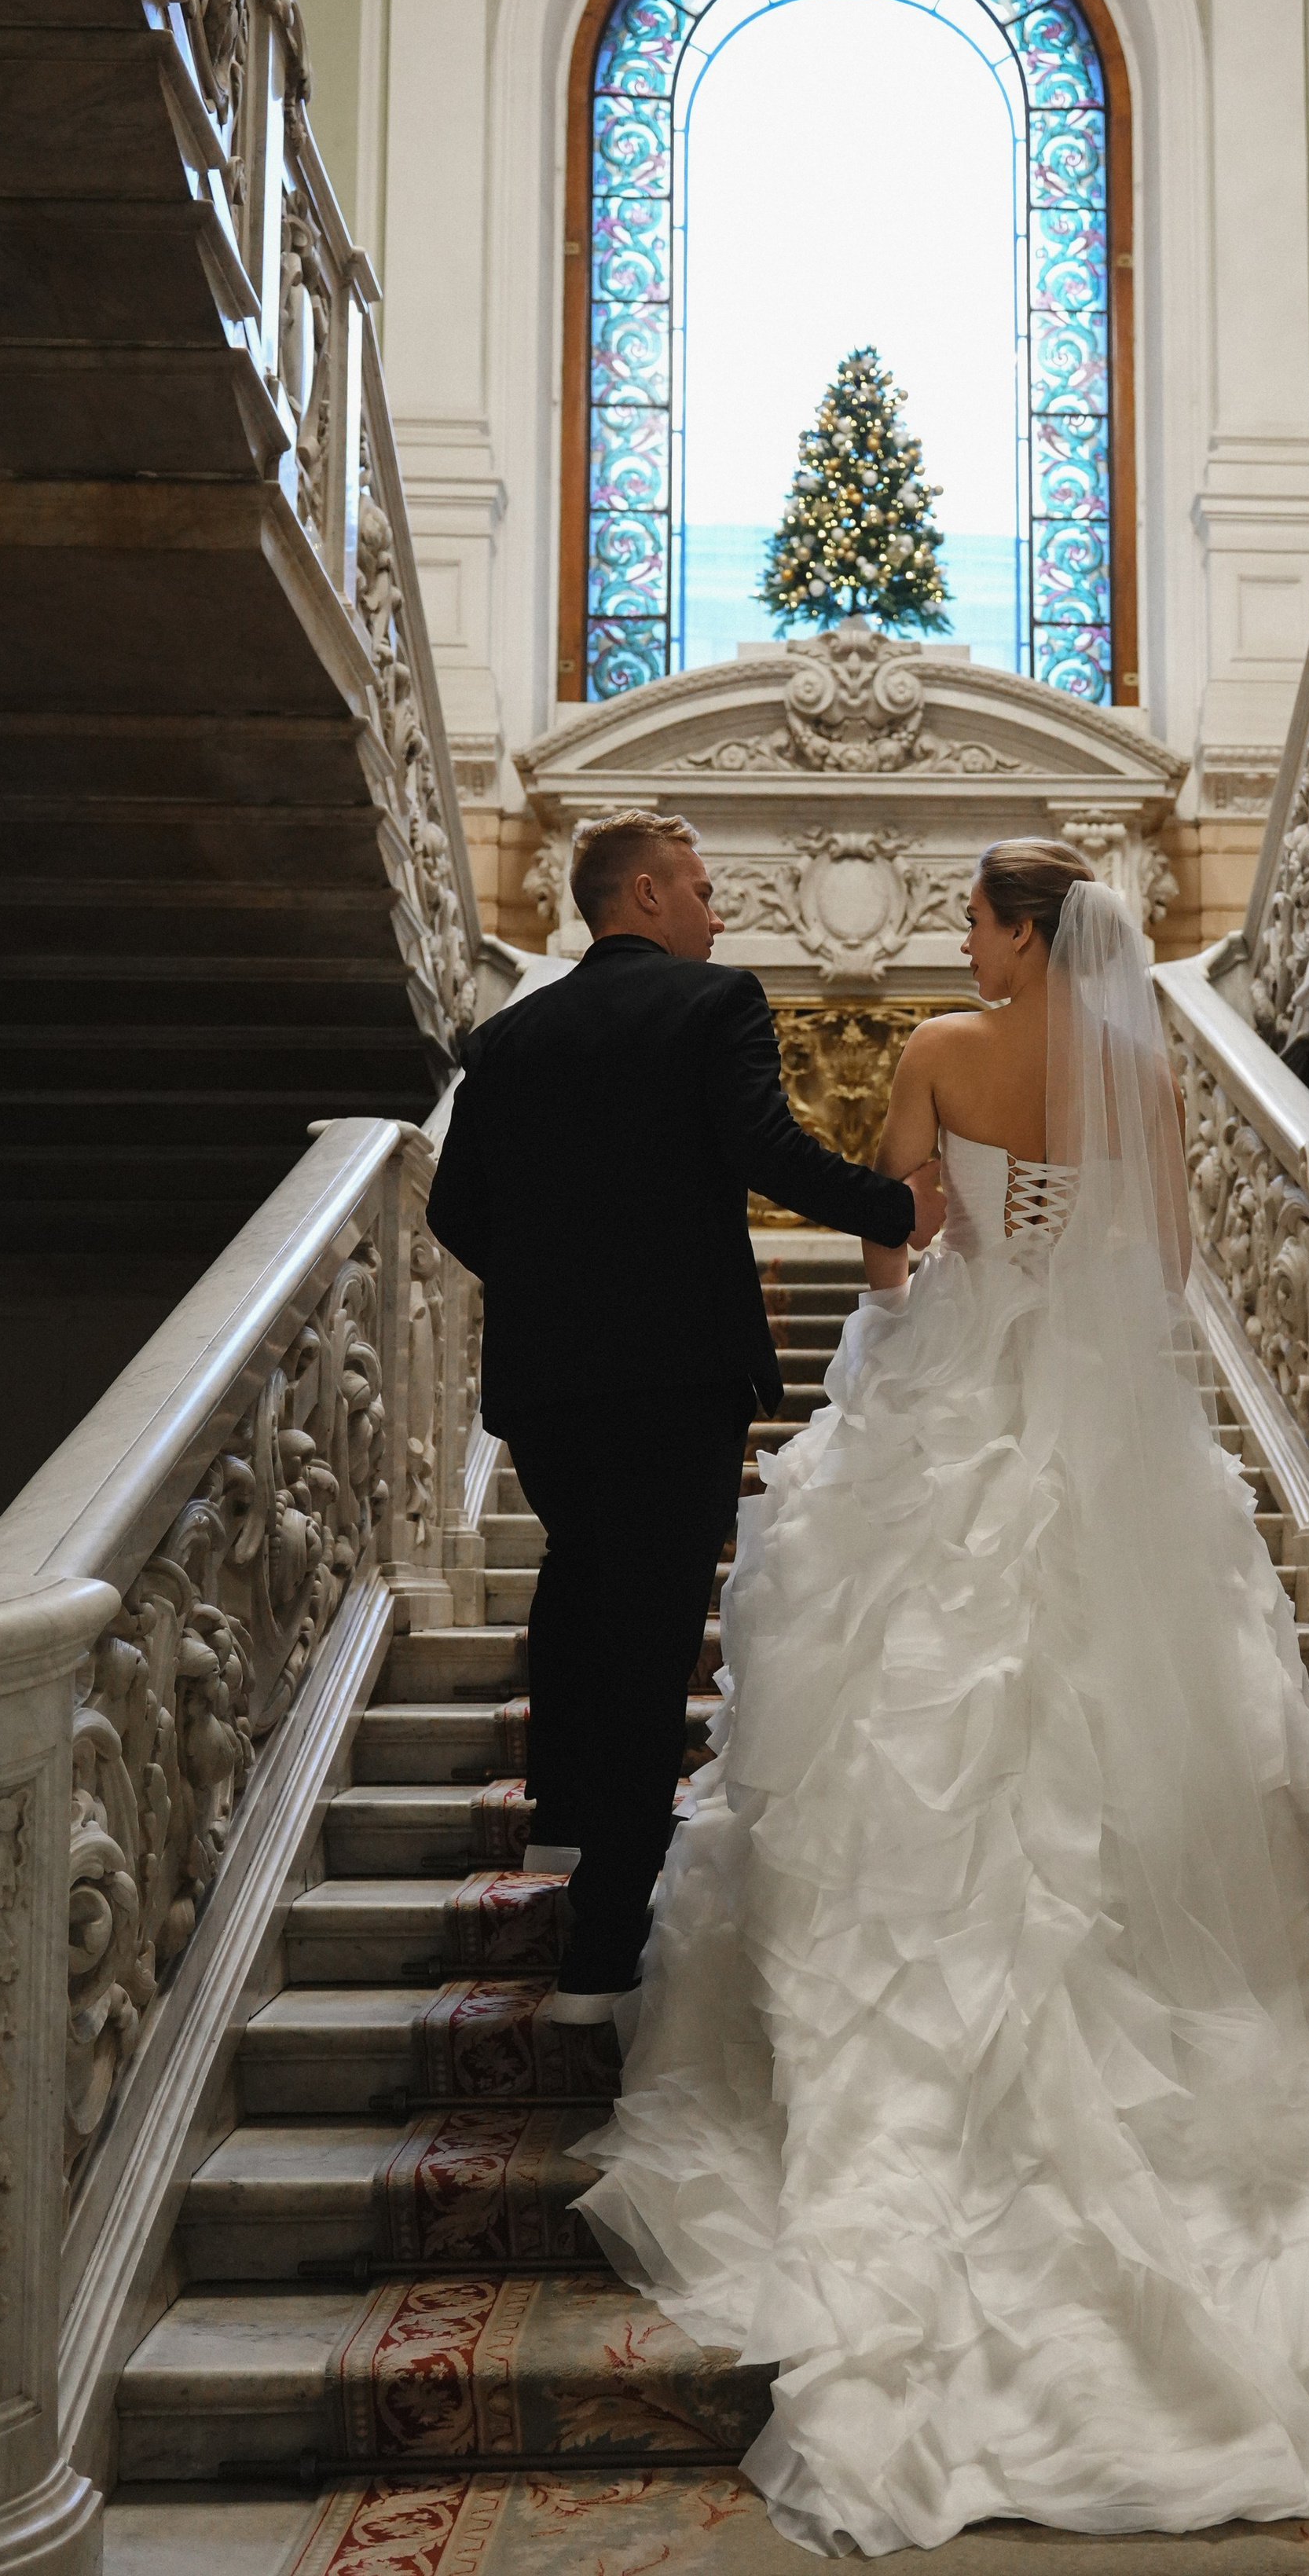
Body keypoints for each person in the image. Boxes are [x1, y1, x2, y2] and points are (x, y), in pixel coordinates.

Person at [573, 837, 1309, 2550]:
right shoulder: (1142, 1066)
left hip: (959, 1407)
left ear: (1018, 931)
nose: (957, 942)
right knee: (1117, 1733)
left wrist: (920, 1312)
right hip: (1095, 1427)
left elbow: (896, 1243)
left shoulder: (935, 1050)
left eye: (973, 919)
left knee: (916, 1717)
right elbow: (1172, 1262)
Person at [424, 809, 942, 2022]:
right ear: (646, 894)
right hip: (675, 1373)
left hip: (551, 1381)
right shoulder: (714, 1006)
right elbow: (763, 1146)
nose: (719, 912)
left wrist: (553, 1280)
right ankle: (610, 1915)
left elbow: (457, 1209)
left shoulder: (505, 1037)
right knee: (654, 1618)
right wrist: (895, 1206)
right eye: (704, 889)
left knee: (582, 1574)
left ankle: (563, 1817)